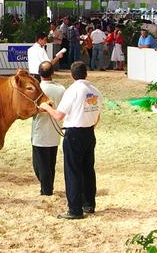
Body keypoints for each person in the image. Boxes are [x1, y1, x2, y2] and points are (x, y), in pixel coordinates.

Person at [39, 61, 103, 219]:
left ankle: (74, 209)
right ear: (86, 73)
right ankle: (89, 204)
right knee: (88, 170)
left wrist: (46, 107)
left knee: (73, 171)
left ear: (72, 75)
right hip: (89, 132)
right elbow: (97, 116)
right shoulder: (95, 91)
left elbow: (59, 115)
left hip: (74, 133)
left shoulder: (73, 90)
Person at [32, 61, 64, 196]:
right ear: (53, 73)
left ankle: (46, 190)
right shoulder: (61, 89)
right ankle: (48, 187)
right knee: (50, 163)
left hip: (40, 130)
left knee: (40, 165)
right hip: (56, 129)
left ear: (39, 73)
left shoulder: (37, 89)